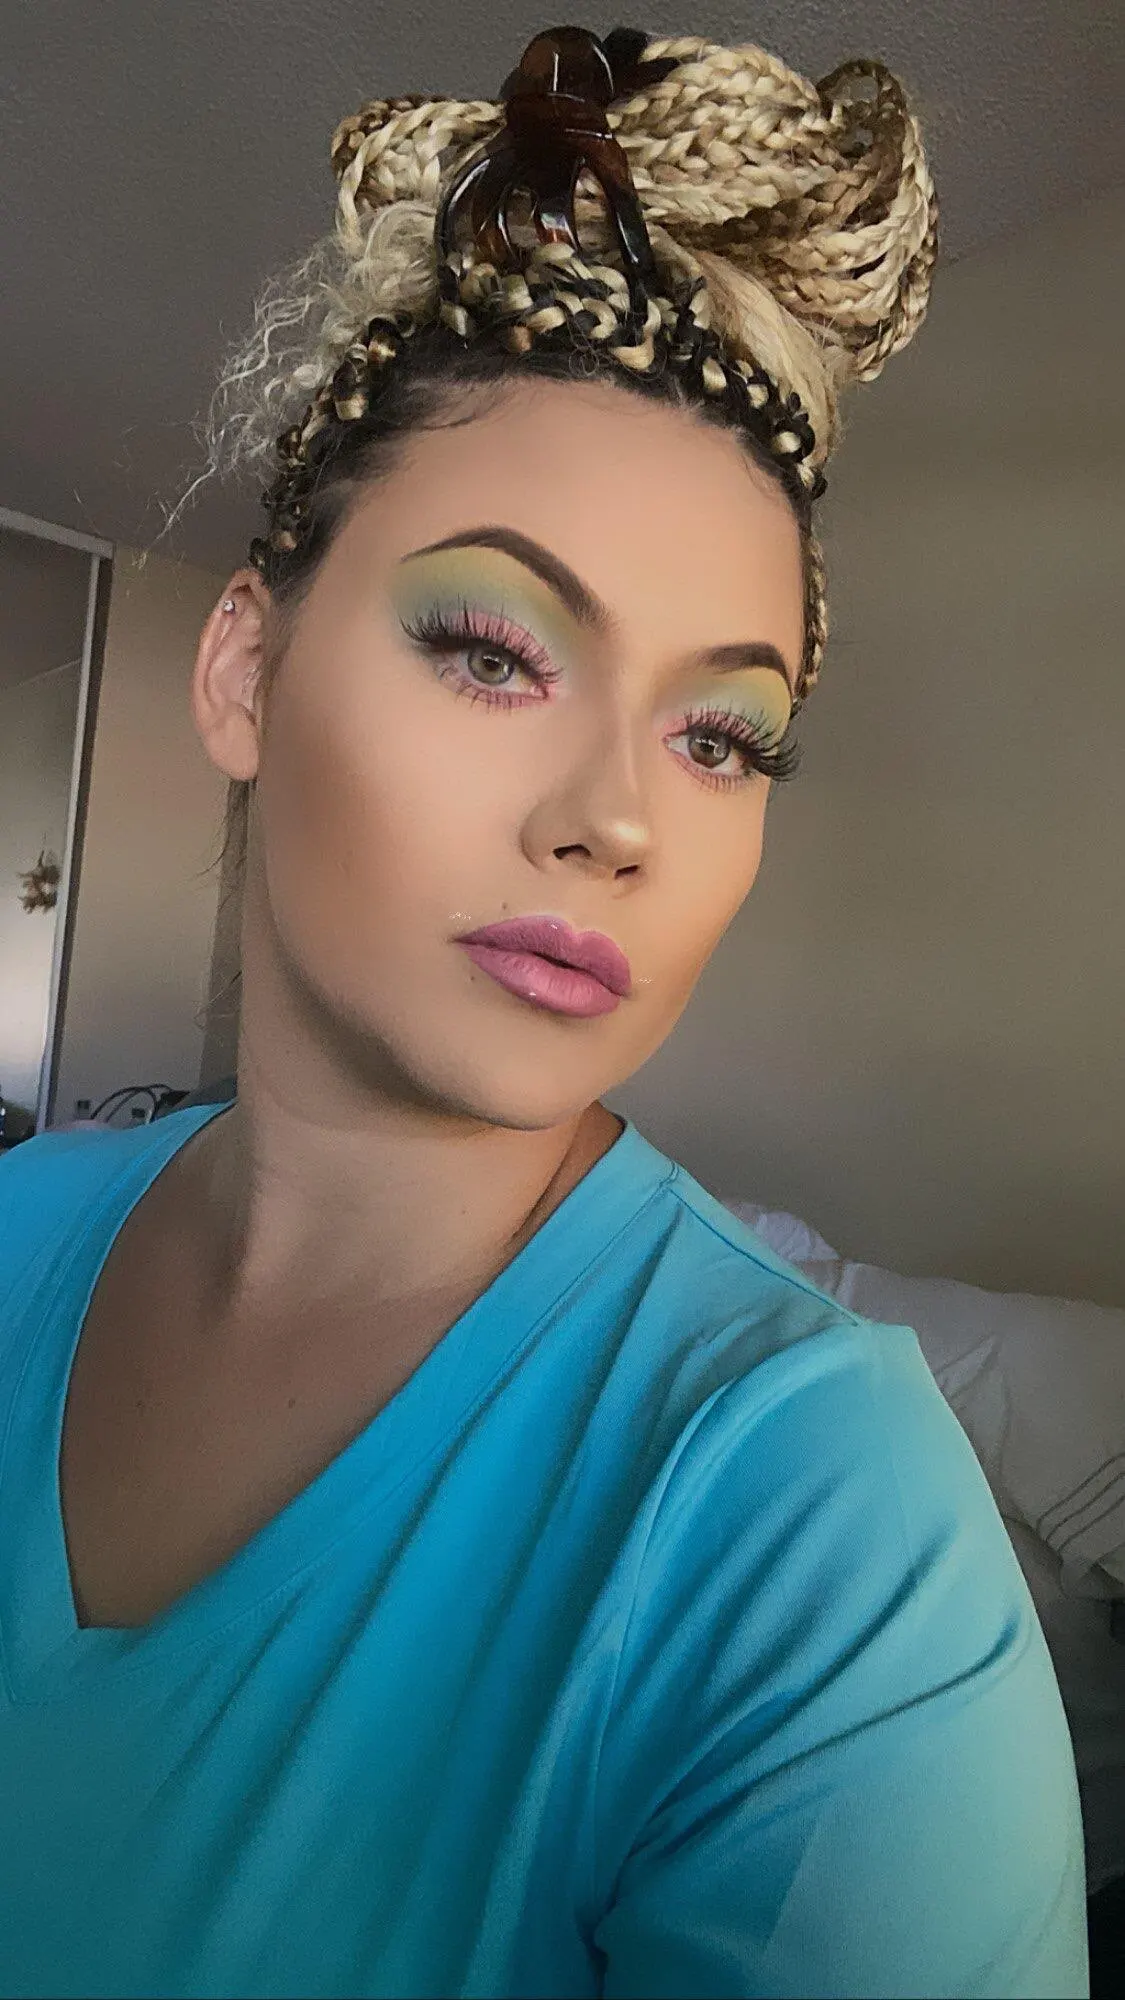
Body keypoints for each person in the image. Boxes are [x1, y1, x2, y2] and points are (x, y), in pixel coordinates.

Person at [0, 23, 1090, 1998]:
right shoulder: (10, 1235)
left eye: (721, 735)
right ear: (245, 670)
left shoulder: (816, 1535)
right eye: (495, 648)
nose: (618, 820)